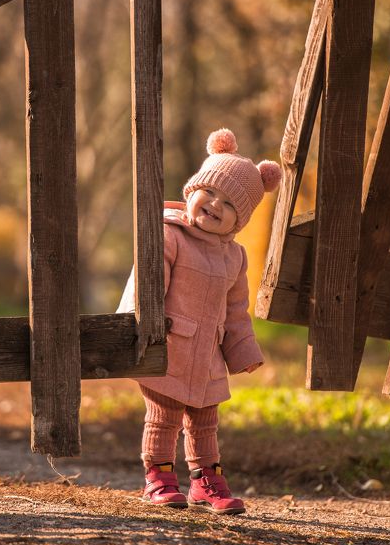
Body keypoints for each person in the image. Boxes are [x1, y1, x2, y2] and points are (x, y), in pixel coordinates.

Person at [118, 128, 281, 515]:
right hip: (170, 347)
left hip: (208, 356)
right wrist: (138, 326)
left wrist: (243, 351)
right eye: (208, 192)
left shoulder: (235, 257)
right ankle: (159, 477)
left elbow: (236, 310)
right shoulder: (170, 235)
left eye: (229, 204)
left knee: (206, 422)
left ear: (239, 222)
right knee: (164, 417)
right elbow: (147, 285)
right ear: (191, 191)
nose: (215, 205)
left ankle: (206, 481)